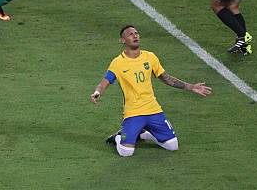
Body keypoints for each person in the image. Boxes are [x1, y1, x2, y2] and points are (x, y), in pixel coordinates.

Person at [90, 25, 212, 157]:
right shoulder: (118, 63)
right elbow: (105, 82)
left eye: (136, 33)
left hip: (154, 110)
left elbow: (166, 78)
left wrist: (192, 87)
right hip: (133, 113)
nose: (135, 35)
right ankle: (118, 137)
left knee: (172, 145)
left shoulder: (150, 57)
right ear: (123, 40)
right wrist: (97, 92)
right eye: (130, 34)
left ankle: (144, 134)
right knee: (126, 152)